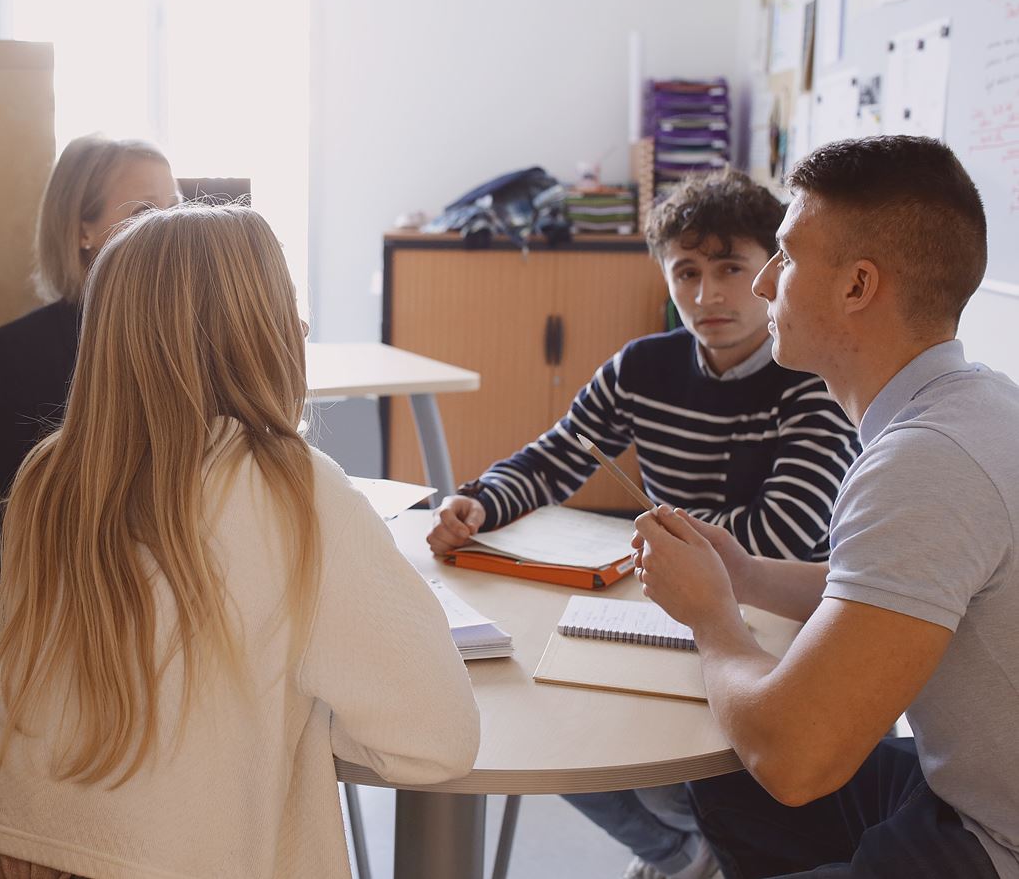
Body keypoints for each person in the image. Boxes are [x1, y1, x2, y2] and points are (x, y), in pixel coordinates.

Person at [0, 205, 480, 879]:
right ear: (254, 333)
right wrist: (292, 716)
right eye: (287, 306)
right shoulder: (294, 488)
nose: (302, 326)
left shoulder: (51, 471)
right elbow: (440, 737)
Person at [427, 169, 861, 879]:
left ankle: (713, 843)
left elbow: (781, 533)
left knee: (688, 756)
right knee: (546, 723)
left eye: (730, 268)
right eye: (685, 271)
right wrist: (481, 501)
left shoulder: (811, 378)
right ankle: (681, 850)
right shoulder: (642, 367)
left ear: (770, 274)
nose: (706, 294)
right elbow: (557, 455)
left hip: (774, 626)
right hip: (661, 603)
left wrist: (658, 549)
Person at [634, 136, 1018, 878]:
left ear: (857, 286)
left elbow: (796, 760)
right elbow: (890, 591)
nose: (764, 284)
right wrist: (744, 575)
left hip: (993, 841)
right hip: (970, 789)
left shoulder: (925, 461)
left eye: (784, 256)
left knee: (763, 753)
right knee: (726, 772)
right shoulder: (976, 404)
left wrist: (713, 616)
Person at [0, 134, 180, 631]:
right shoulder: (17, 351)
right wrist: (67, 542)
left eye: (174, 210)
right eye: (143, 212)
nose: (167, 232)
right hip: (50, 610)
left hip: (173, 605)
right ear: (82, 232)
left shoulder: (195, 340)